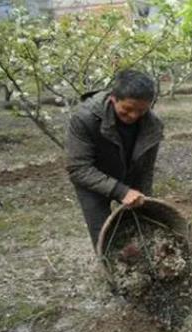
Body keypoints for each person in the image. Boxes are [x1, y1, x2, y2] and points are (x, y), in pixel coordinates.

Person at [66, 69, 164, 250]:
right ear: (113, 98)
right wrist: (120, 191)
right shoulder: (85, 118)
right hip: (93, 179)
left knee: (142, 227)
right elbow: (78, 169)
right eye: (126, 110)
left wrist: (145, 200)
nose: (134, 116)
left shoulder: (153, 125)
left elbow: (145, 170)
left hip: (129, 174)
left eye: (141, 110)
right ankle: (111, 272)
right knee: (104, 238)